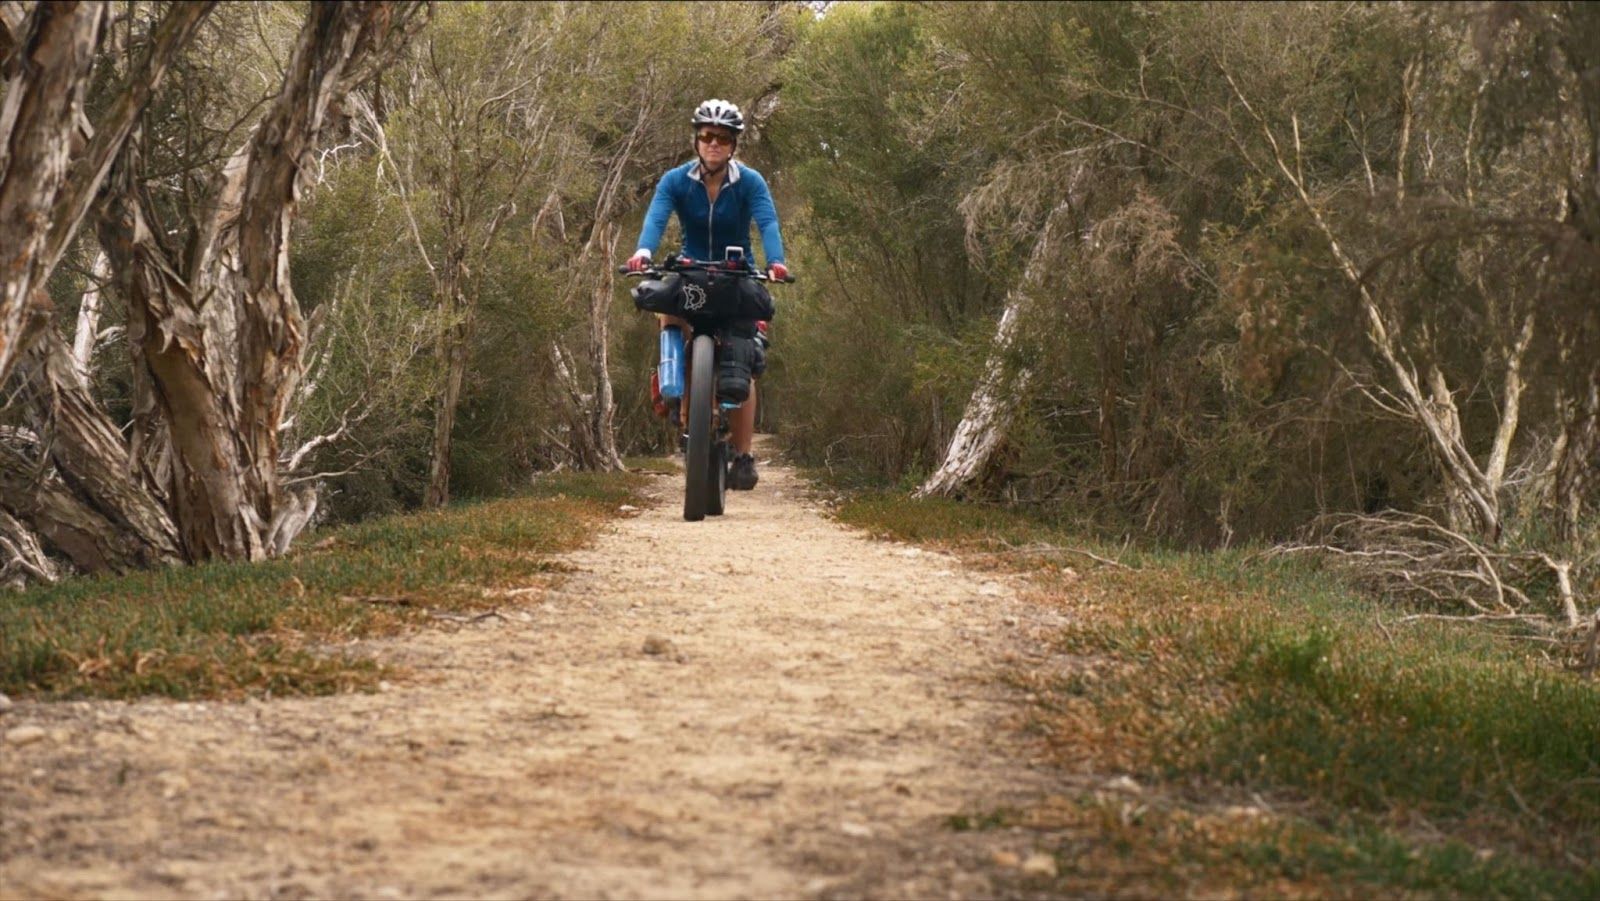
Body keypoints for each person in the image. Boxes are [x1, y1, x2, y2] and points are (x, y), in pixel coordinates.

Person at [626, 98, 789, 490]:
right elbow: (656, 218)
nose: (713, 144)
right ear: (696, 141)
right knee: (667, 312)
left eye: (722, 138)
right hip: (692, 273)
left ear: (734, 145)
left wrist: (777, 261)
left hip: (736, 277)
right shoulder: (675, 181)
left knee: (744, 357)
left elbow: (767, 222)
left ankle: (744, 456)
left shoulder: (750, 182)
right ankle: (676, 393)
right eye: (706, 136)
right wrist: (642, 252)